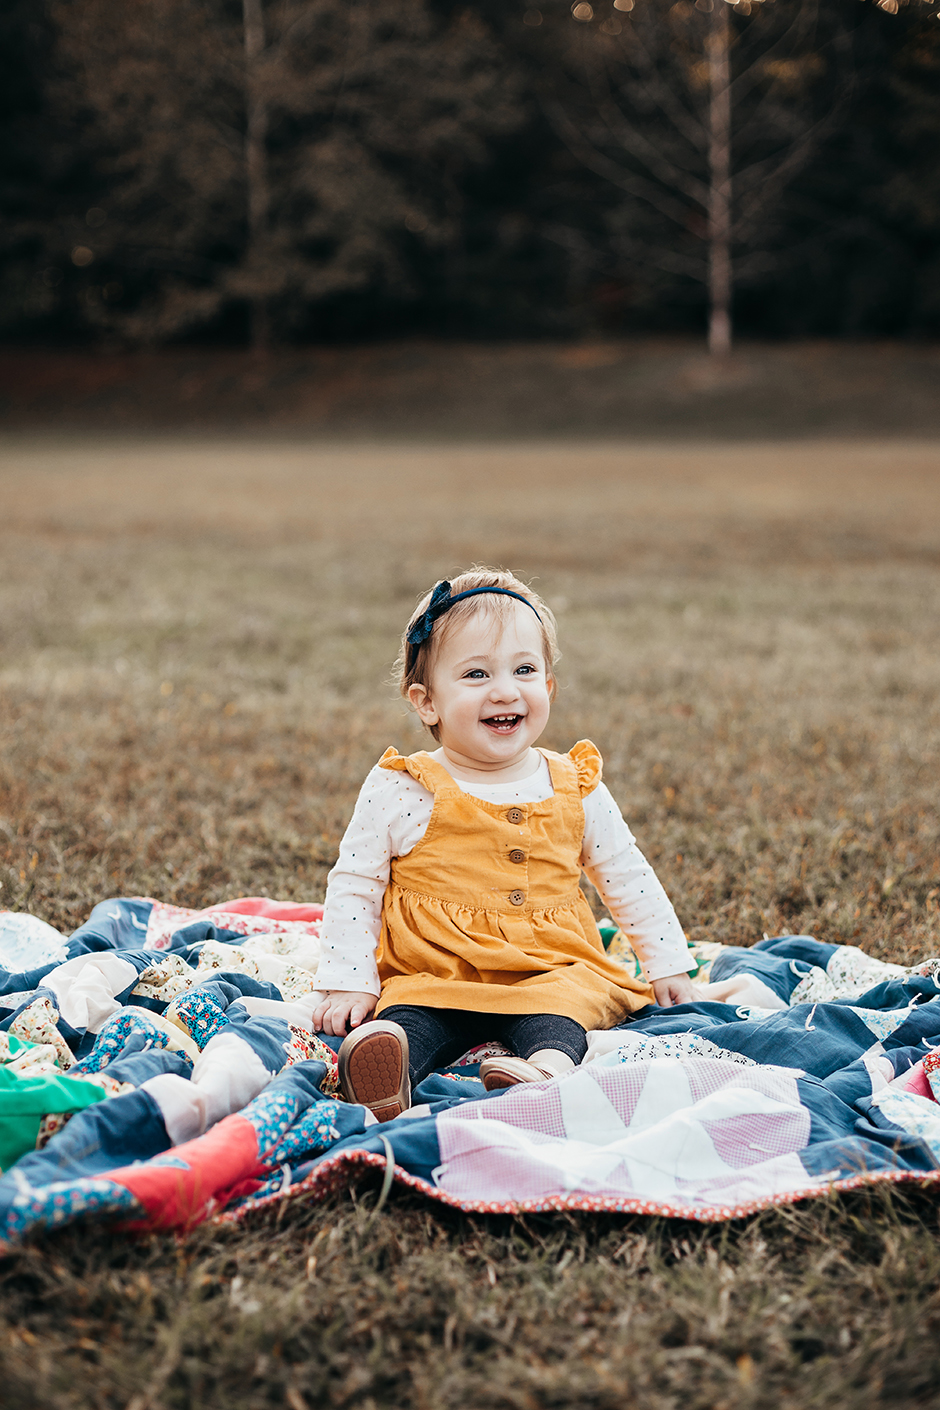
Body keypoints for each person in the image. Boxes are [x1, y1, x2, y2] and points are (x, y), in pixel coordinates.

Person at [312, 568, 695, 1121]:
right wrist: (348, 979)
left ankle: (543, 1071)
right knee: (411, 1013)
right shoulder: (404, 787)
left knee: (564, 1012)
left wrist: (666, 963)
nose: (505, 690)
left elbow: (625, 873)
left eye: (524, 670)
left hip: (548, 966)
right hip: (438, 968)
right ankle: (385, 1073)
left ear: (549, 687)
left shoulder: (574, 784)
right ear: (426, 703)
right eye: (476, 674)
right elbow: (356, 885)